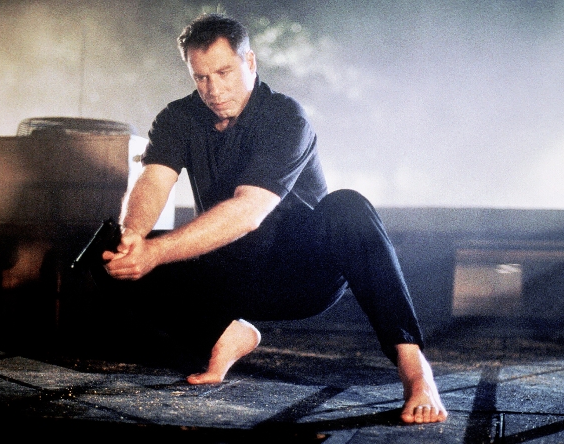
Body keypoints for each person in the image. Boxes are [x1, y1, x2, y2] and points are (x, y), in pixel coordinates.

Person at [102, 13, 447, 424]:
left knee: (348, 207)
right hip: (229, 271)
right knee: (107, 252)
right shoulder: (178, 117)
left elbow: (249, 211)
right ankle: (226, 336)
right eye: (201, 77)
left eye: (224, 72)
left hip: (301, 275)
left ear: (249, 62)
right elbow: (153, 182)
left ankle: (416, 371)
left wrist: (157, 252)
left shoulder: (285, 117)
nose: (214, 89)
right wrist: (133, 237)